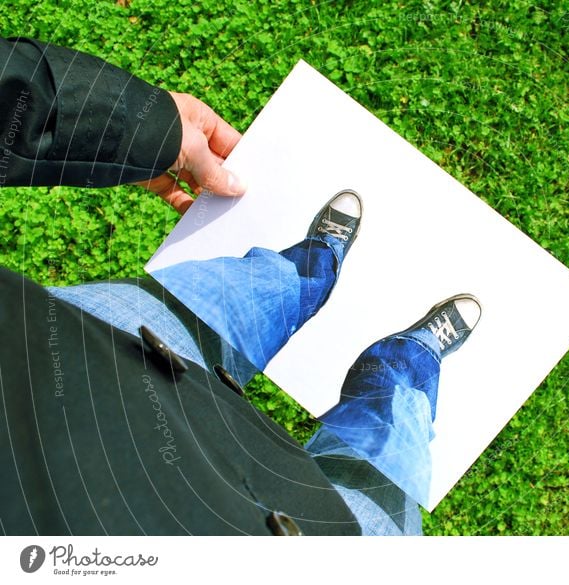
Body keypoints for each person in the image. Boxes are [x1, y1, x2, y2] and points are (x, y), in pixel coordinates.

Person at [0, 36, 480, 535]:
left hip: (67, 367)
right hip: (328, 537)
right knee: (386, 447)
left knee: (221, 299)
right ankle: (405, 362)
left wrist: (142, 129)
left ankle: (306, 275)